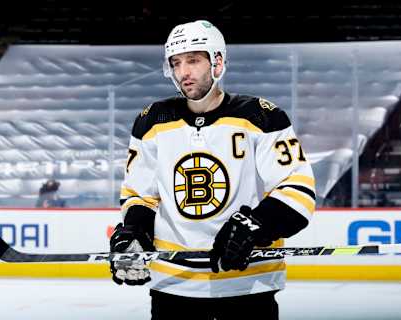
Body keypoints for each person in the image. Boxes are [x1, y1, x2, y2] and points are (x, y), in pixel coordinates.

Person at [109, 20, 315, 319]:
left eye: (193, 60)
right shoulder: (152, 121)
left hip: (248, 284)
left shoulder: (261, 117)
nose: (184, 73)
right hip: (172, 285)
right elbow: (138, 194)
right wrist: (135, 232)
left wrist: (254, 226)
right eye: (176, 63)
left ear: (217, 61)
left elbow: (297, 190)